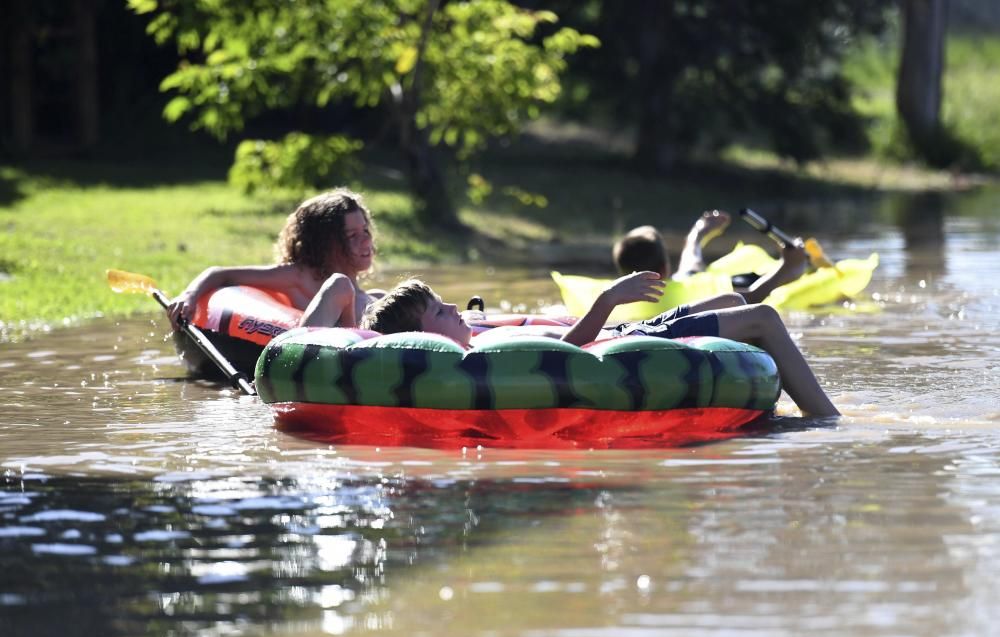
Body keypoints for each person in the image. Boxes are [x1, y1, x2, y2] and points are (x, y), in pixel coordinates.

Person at [360, 275, 840, 418]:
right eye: (442, 312)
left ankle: (777, 406)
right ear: (427, 338)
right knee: (763, 318)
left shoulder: (478, 335)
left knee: (733, 300)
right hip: (627, 345)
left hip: (628, 335)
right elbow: (558, 357)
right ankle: (826, 419)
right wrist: (608, 299)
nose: (454, 309)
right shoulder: (480, 358)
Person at [167, 187, 381, 330]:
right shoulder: (304, 277)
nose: (365, 241)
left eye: (365, 231)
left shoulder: (368, 296)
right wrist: (189, 296)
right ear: (326, 243)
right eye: (352, 236)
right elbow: (220, 275)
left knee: (385, 296)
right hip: (329, 358)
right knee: (341, 286)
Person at [613, 210, 808, 304]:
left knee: (690, 274)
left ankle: (696, 236)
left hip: (687, 280)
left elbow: (687, 273)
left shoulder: (616, 300)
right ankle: (696, 236)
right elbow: (746, 297)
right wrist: (787, 267)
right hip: (744, 284)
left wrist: (697, 234)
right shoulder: (688, 291)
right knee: (694, 276)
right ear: (664, 269)